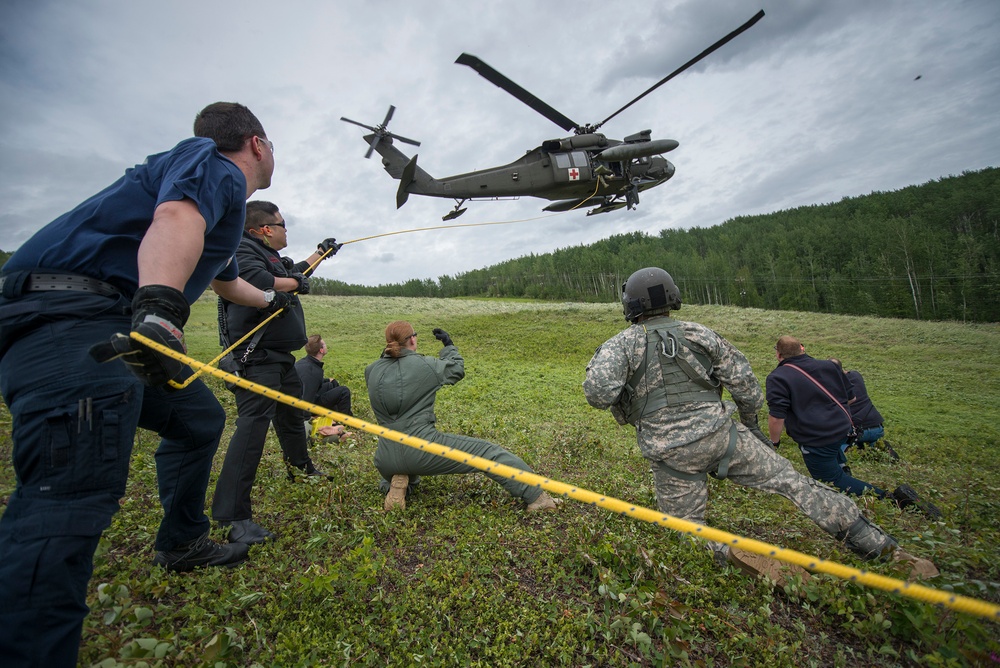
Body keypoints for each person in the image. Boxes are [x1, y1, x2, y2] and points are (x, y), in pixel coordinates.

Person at [0, 102, 293, 667]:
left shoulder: (221, 213)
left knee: (199, 420)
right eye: (271, 146)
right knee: (69, 499)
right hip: (71, 316)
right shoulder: (211, 164)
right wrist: (160, 307)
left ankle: (181, 542)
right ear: (257, 144)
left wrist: (278, 297)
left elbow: (230, 284)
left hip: (97, 316)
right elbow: (176, 220)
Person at [583, 268, 936, 582]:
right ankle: (891, 553)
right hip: (725, 438)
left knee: (687, 531)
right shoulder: (702, 334)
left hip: (672, 455)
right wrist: (750, 427)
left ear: (630, 305)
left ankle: (732, 555)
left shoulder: (620, 345)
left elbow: (598, 394)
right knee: (796, 484)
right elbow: (746, 385)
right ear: (672, 297)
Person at [211, 201, 340, 545]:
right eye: (283, 224)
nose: (286, 230)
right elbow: (258, 280)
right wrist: (294, 282)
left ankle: (301, 468)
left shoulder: (264, 252)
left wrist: (320, 254)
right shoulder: (241, 249)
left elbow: (292, 273)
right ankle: (232, 515)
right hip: (256, 358)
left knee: (290, 414)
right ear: (266, 228)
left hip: (279, 358)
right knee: (252, 428)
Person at [364, 321, 557, 512]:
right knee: (486, 453)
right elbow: (457, 369)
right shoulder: (425, 366)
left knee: (406, 472)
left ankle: (393, 484)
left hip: (385, 458)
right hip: (419, 449)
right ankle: (537, 497)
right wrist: (448, 346)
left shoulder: (371, 371)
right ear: (412, 340)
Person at [767, 337, 938, 517]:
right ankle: (844, 471)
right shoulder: (830, 366)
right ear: (802, 349)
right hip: (844, 428)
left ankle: (894, 499)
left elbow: (777, 416)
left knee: (832, 480)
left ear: (778, 354)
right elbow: (851, 398)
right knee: (835, 457)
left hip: (817, 438)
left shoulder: (778, 377)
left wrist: (774, 442)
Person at [828, 358, 899, 460]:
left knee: (833, 445)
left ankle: (856, 452)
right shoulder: (856, 375)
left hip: (855, 431)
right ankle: (877, 447)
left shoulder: (834, 386)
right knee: (865, 441)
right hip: (877, 428)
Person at [296, 333, 352, 438]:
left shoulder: (304, 363)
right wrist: (312, 417)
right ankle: (346, 421)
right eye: (325, 345)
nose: (326, 347)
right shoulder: (314, 372)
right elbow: (307, 398)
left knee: (332, 383)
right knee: (344, 391)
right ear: (321, 350)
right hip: (305, 405)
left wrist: (326, 380)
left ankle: (334, 417)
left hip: (297, 397)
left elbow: (309, 383)